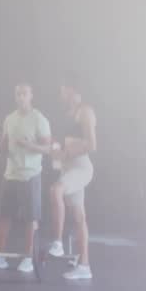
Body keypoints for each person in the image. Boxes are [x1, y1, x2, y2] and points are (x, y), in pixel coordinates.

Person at [0, 84, 51, 273]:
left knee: (30, 218)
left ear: (31, 96)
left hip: (31, 175)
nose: (20, 97)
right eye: (17, 94)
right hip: (11, 174)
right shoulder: (9, 119)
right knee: (3, 216)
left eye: (24, 94)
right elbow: (3, 146)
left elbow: (48, 148)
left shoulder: (39, 119)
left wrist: (29, 145)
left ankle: (28, 257)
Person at [48, 74, 97, 280]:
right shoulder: (67, 113)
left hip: (81, 167)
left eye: (63, 89)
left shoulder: (84, 111)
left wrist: (67, 153)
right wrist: (57, 153)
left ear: (71, 90)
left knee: (55, 190)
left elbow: (91, 145)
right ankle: (84, 266)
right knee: (79, 217)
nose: (61, 94)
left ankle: (57, 243)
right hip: (67, 167)